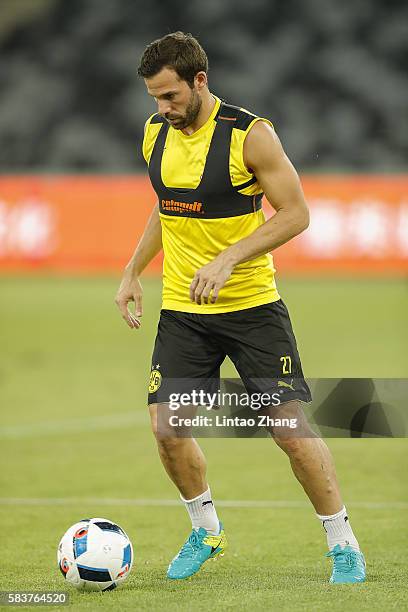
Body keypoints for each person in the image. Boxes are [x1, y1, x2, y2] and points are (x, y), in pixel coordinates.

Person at [115, 31, 366, 583]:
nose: (162, 109)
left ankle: (342, 541)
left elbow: (296, 213)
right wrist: (134, 271)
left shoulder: (250, 136)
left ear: (199, 80)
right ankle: (205, 531)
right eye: (155, 98)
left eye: (171, 97)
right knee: (167, 427)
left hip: (251, 308)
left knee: (290, 430)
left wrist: (229, 258)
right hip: (183, 309)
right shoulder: (156, 134)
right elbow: (168, 209)